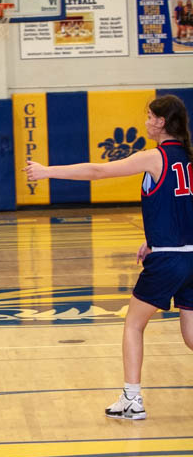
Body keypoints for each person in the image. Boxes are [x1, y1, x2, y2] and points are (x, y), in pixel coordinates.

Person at [25, 94, 193, 420]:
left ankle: (132, 399)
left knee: (133, 325)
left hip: (169, 261)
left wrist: (46, 171)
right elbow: (180, 208)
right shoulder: (188, 158)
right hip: (189, 256)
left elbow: (98, 171)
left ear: (161, 122)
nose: (146, 122)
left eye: (149, 117)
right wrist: (154, 240)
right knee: (191, 337)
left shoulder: (154, 157)